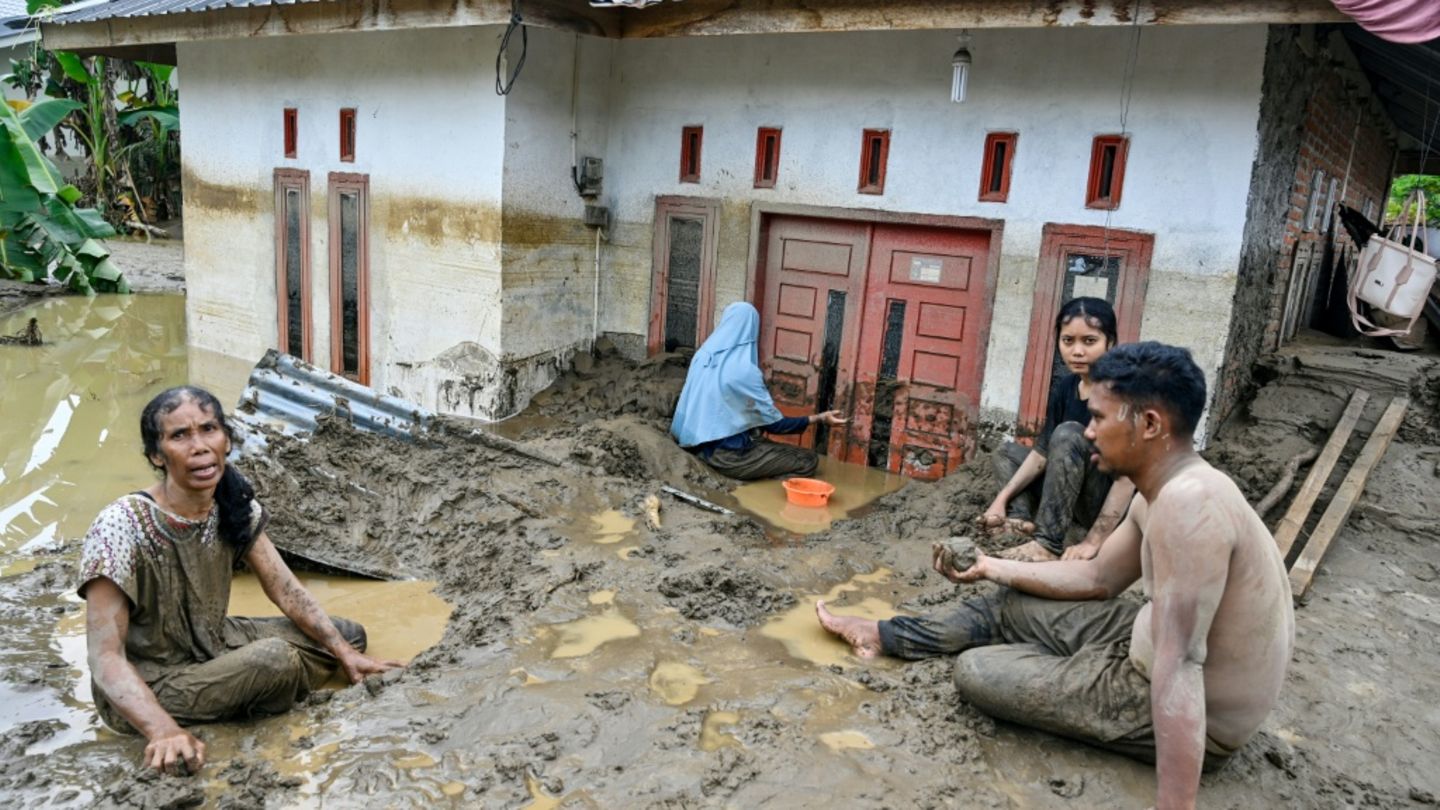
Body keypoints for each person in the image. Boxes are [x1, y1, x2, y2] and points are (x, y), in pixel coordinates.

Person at [817, 343, 1295, 810]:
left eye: (1100, 417)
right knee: (1011, 601)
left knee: (978, 671)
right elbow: (1098, 577)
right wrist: (990, 567)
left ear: (1149, 425)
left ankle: (1049, 664)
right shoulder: (1164, 489)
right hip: (1145, 640)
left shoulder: (1189, 505)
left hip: (1195, 711)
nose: (1088, 431)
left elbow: (1182, 664)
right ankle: (884, 635)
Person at [80, 386, 402, 776]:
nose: (199, 447)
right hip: (152, 680)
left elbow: (285, 588)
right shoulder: (121, 525)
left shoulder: (232, 503)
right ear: (156, 455)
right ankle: (229, 699)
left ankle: (237, 690)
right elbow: (104, 657)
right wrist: (162, 731)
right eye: (179, 436)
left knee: (349, 636)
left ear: (227, 440)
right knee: (275, 660)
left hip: (212, 643)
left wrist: (344, 653)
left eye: (208, 429)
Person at [980, 297, 1135, 562]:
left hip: (1103, 502)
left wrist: (1094, 541)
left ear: (1110, 342)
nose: (1077, 351)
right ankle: (1019, 521)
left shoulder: (1124, 392)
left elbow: (1127, 479)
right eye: (1068, 341)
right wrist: (1000, 500)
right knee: (1007, 453)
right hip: (1068, 491)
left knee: (1068, 434)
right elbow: (1041, 455)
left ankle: (1047, 544)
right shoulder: (1066, 387)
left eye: (1089, 341)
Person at [671, 301, 846, 480]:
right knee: (808, 460)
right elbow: (775, 425)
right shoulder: (744, 371)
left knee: (759, 439)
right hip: (726, 457)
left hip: (694, 444)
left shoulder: (702, 355)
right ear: (752, 329)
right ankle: (757, 486)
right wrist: (819, 418)